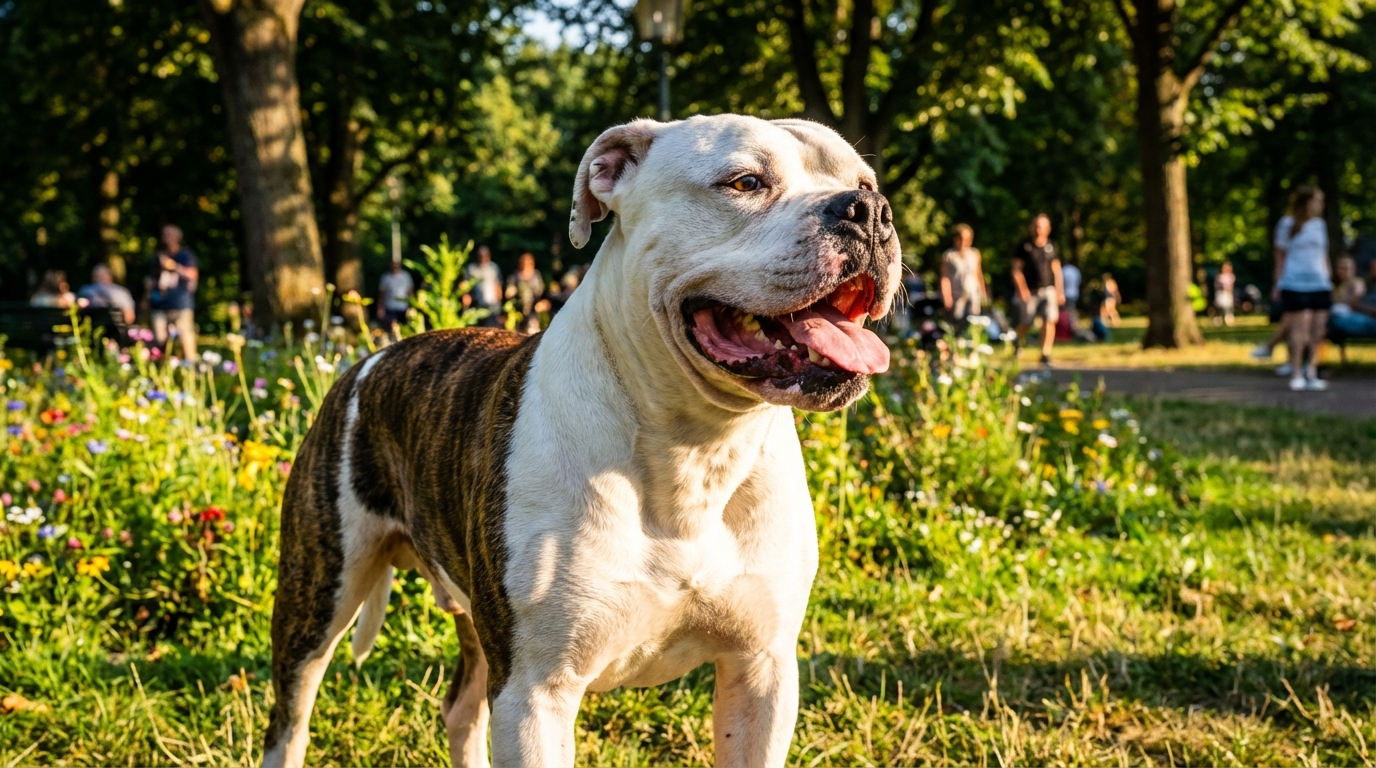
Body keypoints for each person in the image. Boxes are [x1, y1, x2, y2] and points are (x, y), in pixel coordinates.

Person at [1271, 186, 1332, 391]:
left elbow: (1323, 255)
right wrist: (1277, 283)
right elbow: (1280, 256)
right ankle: (1296, 372)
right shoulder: (1286, 224)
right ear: (1307, 202)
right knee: (1299, 328)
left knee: (1317, 330)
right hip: (1294, 283)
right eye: (1318, 201)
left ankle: (1311, 371)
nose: (1321, 205)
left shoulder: (1320, 225)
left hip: (1319, 283)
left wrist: (1328, 278)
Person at [1010, 213, 1064, 365]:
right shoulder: (1024, 246)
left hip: (1048, 289)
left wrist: (1060, 290)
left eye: (1041, 227)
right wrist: (1022, 289)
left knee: (1049, 320)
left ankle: (1045, 353)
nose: (1037, 229)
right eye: (1035, 226)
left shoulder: (1051, 246)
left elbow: (1056, 270)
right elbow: (1016, 270)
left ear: (1048, 229)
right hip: (1030, 292)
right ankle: (1017, 344)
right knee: (1025, 323)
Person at [143, 224, 199, 361]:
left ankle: (190, 366)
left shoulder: (185, 255)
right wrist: (146, 297)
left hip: (181, 303)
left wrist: (174, 266)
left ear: (178, 237)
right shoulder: (158, 257)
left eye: (170, 235)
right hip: (160, 303)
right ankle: (163, 368)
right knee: (159, 339)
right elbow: (152, 280)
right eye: (165, 235)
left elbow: (192, 274)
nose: (167, 238)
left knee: (185, 336)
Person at [940, 224, 987, 324]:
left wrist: (983, 294)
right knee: (957, 321)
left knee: (973, 321)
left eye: (966, 239)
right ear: (956, 239)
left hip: (973, 294)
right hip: (957, 295)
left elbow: (978, 274)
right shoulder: (949, 256)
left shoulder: (974, 254)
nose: (963, 242)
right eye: (960, 238)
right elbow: (945, 278)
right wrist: (947, 296)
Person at [1329, 257, 1376, 341]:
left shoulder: (1358, 283)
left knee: (1332, 322)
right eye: (1341, 268)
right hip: (1342, 317)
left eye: (1347, 268)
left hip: (1357, 318)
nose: (1345, 271)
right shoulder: (1333, 285)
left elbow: (1353, 302)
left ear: (1353, 269)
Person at [505, 252, 548, 334]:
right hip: (518, 313)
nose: (526, 265)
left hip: (534, 312)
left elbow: (542, 293)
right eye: (524, 262)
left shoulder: (536, 276)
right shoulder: (514, 277)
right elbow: (508, 293)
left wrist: (541, 304)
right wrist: (510, 291)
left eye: (529, 263)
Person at [464, 245, 502, 327]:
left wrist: (499, 308)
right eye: (480, 256)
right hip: (476, 305)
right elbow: (465, 288)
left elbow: (498, 286)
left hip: (492, 306)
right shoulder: (471, 269)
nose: (483, 258)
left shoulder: (494, 268)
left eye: (485, 256)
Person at [376, 260, 414, 337]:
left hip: (403, 307)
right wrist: (380, 307)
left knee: (404, 327)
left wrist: (413, 305)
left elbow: (409, 292)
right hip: (390, 307)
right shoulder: (386, 278)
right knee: (392, 326)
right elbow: (382, 293)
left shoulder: (405, 276)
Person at [1213, 262, 1237, 326]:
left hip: (1228, 293)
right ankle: (1219, 319)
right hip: (1221, 293)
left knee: (1228, 306)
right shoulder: (1219, 276)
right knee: (1220, 306)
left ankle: (1228, 319)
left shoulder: (1231, 276)